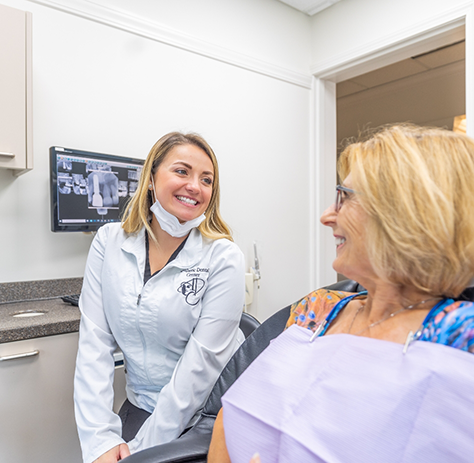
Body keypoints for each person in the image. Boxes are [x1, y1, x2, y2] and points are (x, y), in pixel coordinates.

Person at [208, 124, 474, 463]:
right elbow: (226, 421)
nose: (326, 217)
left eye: (344, 197)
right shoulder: (316, 309)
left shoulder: (460, 336)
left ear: (404, 214)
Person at [74, 132, 245, 463]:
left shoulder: (224, 258)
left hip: (205, 417)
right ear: (151, 178)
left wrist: (141, 452)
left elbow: (199, 371)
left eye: (206, 179)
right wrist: (99, 438)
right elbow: (94, 346)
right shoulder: (109, 242)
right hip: (140, 406)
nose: (195, 186)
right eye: (182, 171)